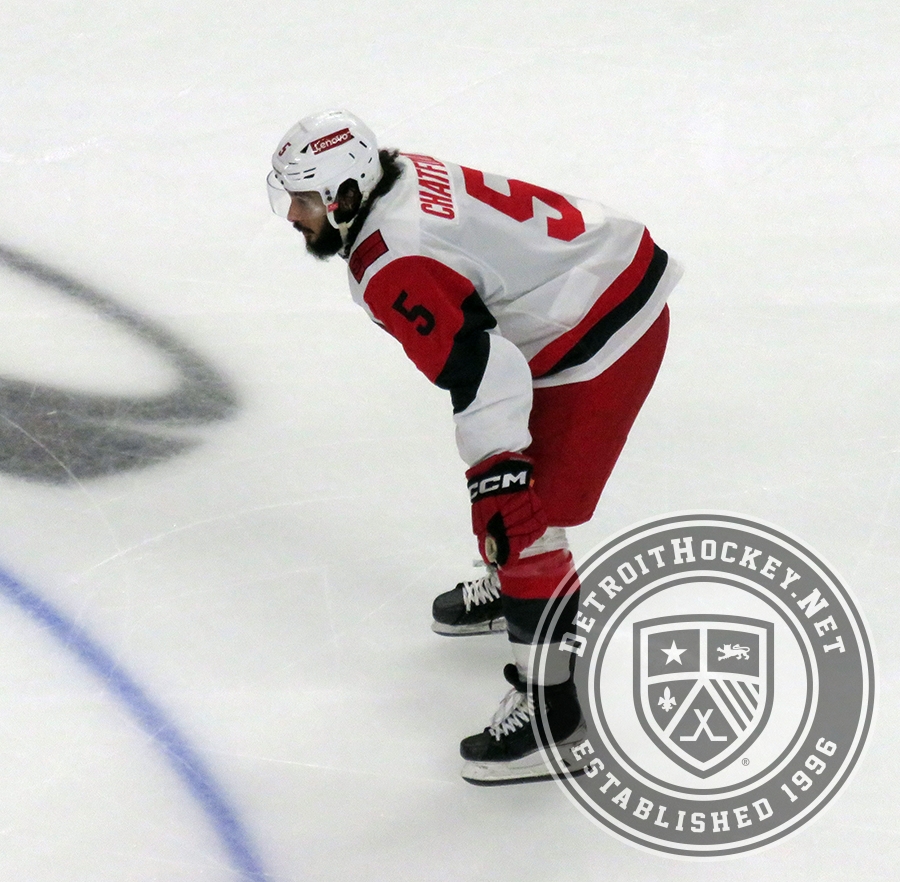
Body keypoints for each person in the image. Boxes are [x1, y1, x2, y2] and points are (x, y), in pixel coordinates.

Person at [266, 110, 682, 785]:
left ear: (345, 194)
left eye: (305, 199)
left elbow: (487, 371)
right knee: (513, 510)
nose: (292, 215)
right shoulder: (397, 179)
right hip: (595, 280)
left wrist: (499, 474)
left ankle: (555, 718)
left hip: (602, 329)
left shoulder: (392, 259)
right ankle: (512, 585)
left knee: (521, 521)